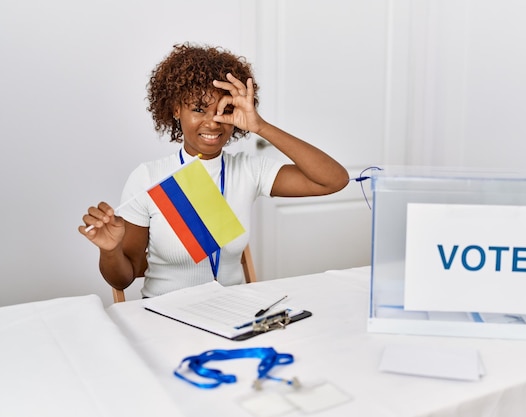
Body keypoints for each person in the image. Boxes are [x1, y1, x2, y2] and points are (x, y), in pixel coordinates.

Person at [78, 43, 349, 298]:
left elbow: (334, 180)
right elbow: (123, 278)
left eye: (224, 110)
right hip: (166, 317)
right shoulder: (149, 177)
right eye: (198, 109)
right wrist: (111, 251)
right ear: (175, 109)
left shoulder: (248, 170)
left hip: (233, 313)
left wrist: (260, 126)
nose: (213, 123)